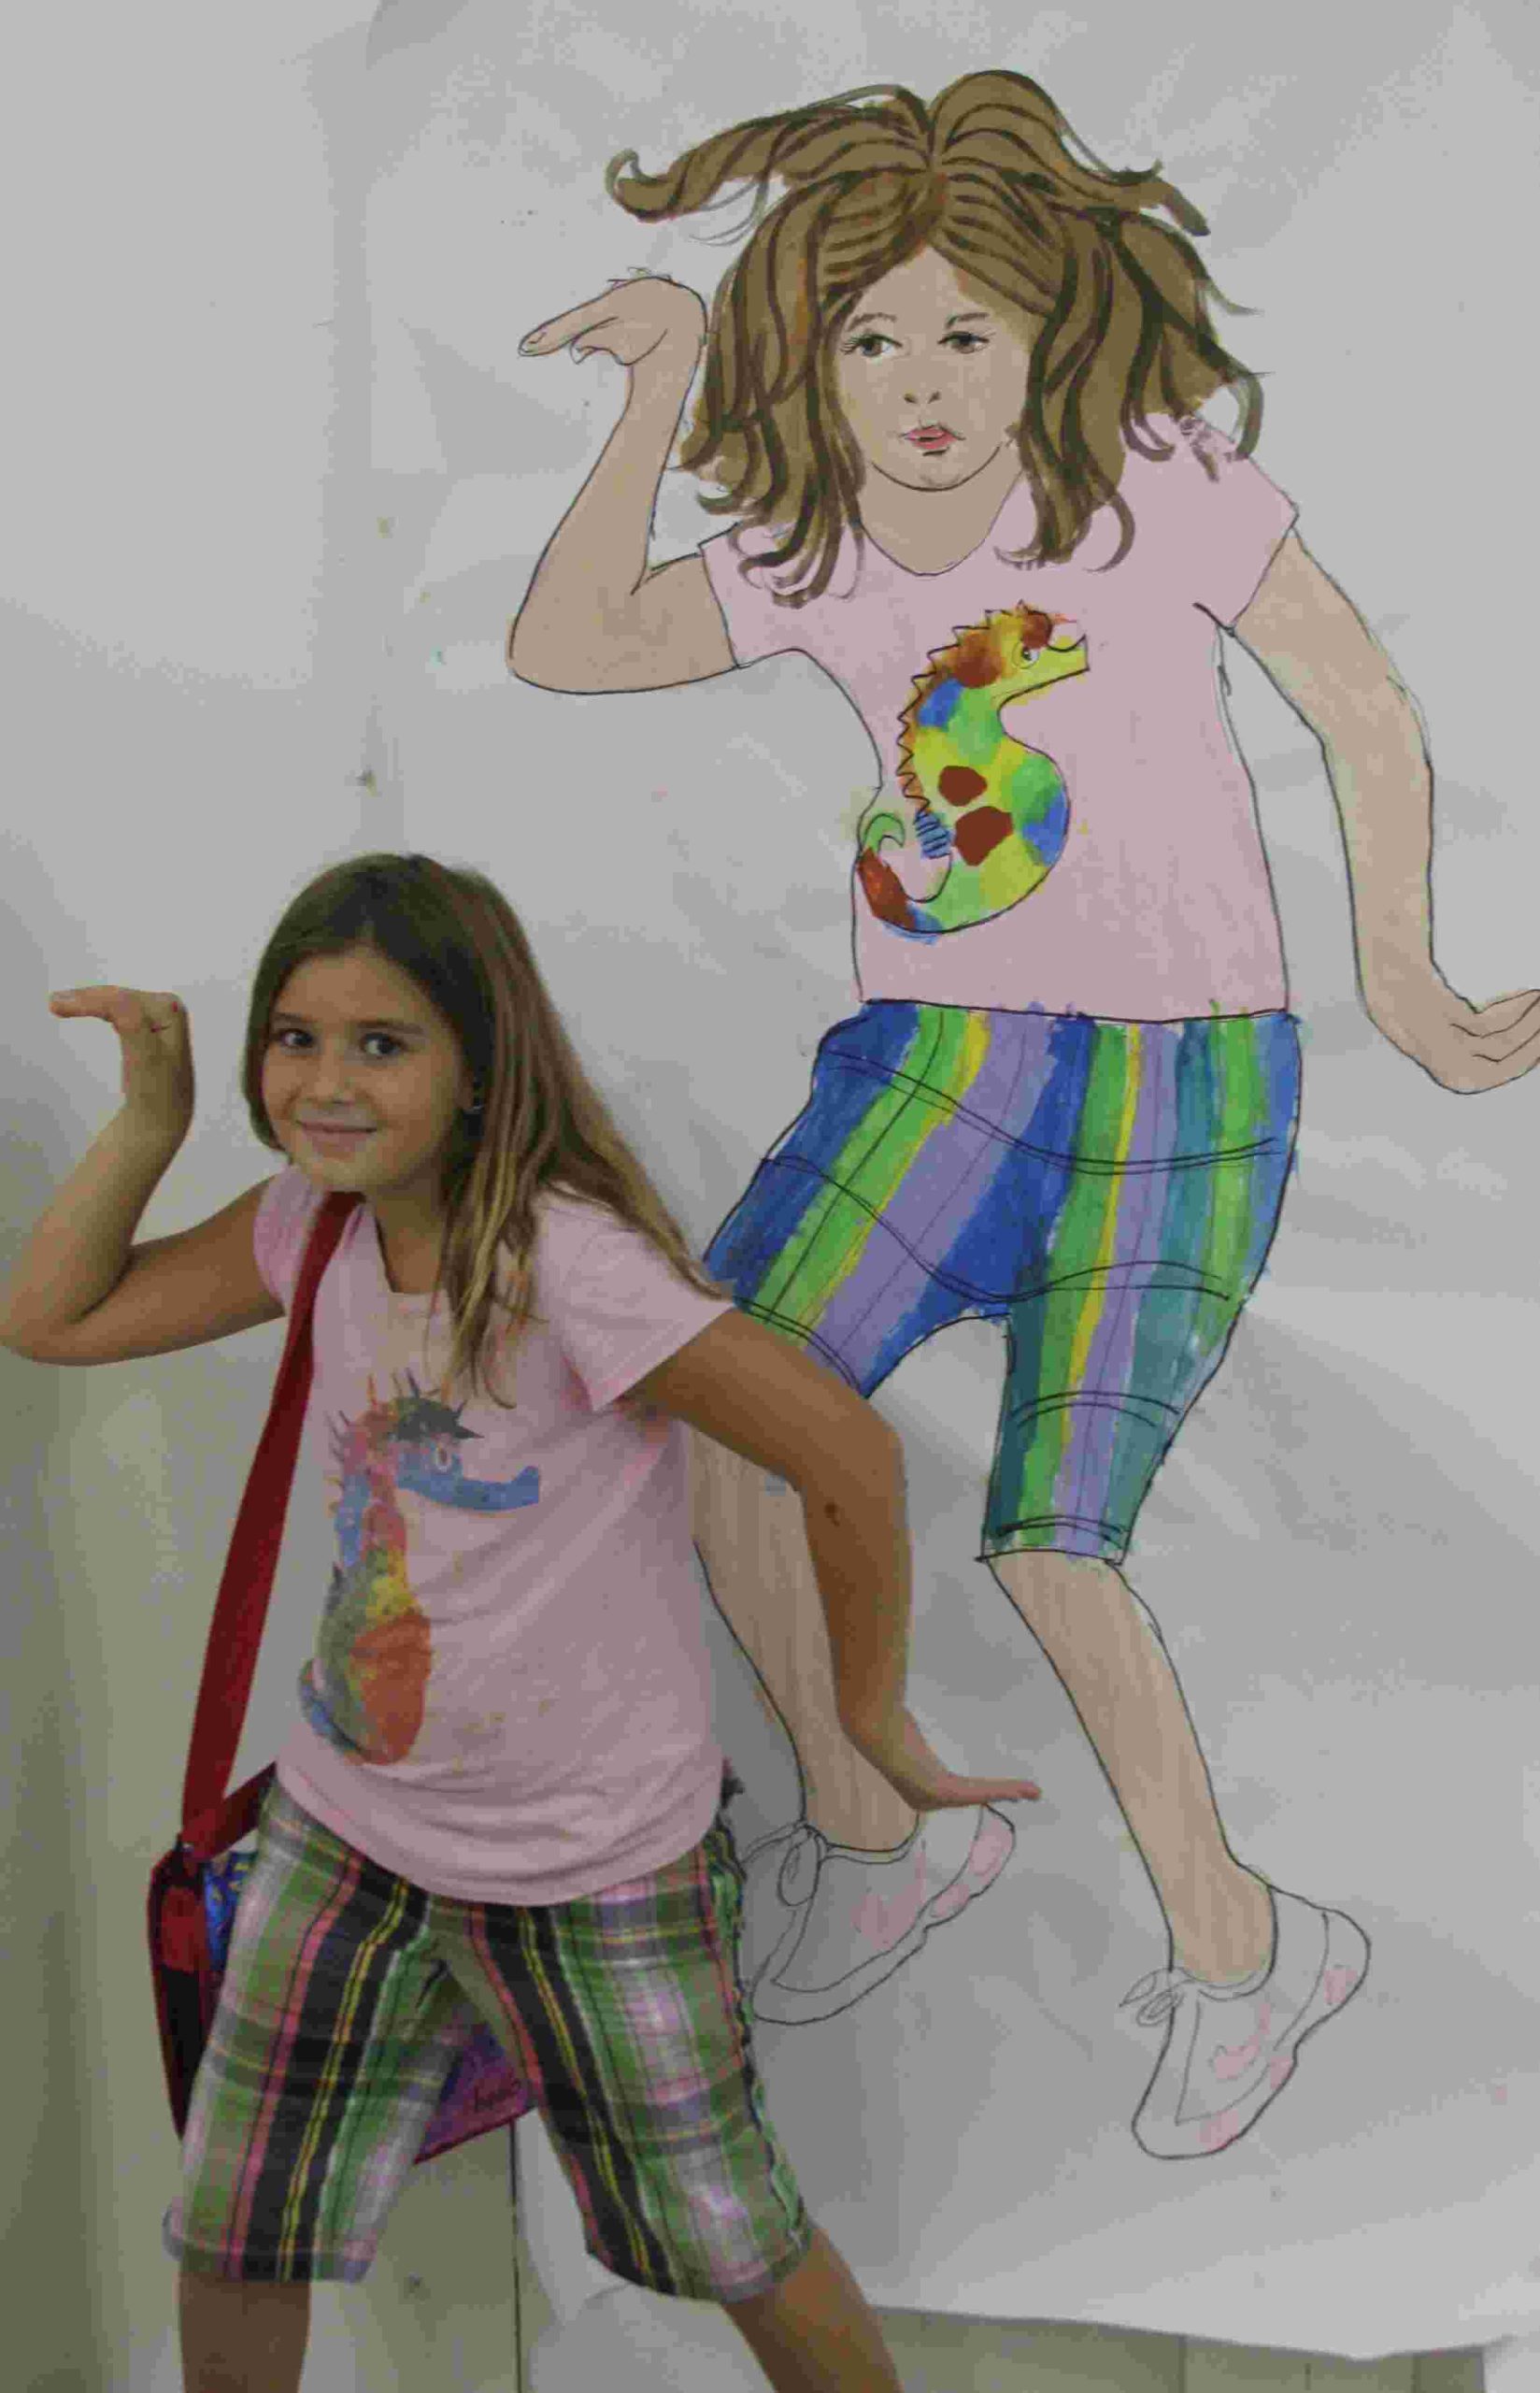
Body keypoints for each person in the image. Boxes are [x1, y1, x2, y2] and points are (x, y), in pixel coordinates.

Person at [509, 70, 1540, 2159]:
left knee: (1056, 1543)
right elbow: (568, 640)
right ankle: (870, 1826)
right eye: (868, 338)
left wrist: (1400, 976)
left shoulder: (1145, 484)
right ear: (810, 358)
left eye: (964, 331)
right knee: (723, 1415)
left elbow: (1355, 698)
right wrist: (662, 382)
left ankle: (1244, 1952)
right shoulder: (811, 540)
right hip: (940, 1055)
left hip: (1180, 1070)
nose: (919, 385)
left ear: (1047, 331)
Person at [0, 852, 1039, 2393]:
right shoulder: (312, 1227)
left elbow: (846, 1455)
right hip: (348, 1834)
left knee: (728, 2241)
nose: (326, 1084)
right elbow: (52, 1317)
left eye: (382, 1043)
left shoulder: (568, 1264)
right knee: (240, 2230)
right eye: (295, 1038)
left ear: (480, 1066)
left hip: (593, 1863)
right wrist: (152, 1124)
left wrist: (866, 1710)